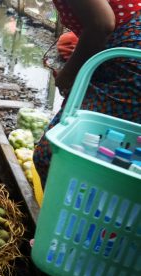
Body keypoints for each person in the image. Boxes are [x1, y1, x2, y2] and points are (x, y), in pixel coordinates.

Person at [34, 0, 141, 185]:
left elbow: (102, 23)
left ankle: (71, 211)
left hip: (129, 57)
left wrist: (68, 75)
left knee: (52, 156)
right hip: (119, 50)